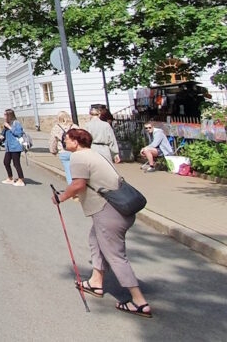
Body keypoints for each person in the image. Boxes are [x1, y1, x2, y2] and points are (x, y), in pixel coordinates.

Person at [54, 128, 152, 318]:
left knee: (115, 254)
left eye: (66, 139)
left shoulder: (78, 158)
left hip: (109, 211)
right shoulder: (93, 154)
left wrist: (61, 197)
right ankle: (96, 282)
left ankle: (139, 301)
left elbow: (78, 184)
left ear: (76, 141)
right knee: (95, 240)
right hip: (117, 209)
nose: (64, 142)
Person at [49, 111, 78, 184]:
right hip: (74, 151)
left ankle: (72, 189)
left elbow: (53, 141)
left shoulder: (56, 128)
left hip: (63, 151)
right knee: (78, 171)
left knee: (68, 172)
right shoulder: (74, 126)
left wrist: (53, 151)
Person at [1, 109, 26, 187]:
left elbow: (19, 133)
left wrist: (9, 127)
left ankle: (21, 179)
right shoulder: (6, 124)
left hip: (15, 146)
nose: (4, 116)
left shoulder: (16, 123)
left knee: (16, 163)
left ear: (9, 115)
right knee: (6, 162)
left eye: (5, 115)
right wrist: (1, 137)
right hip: (8, 147)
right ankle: (10, 178)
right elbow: (4, 134)